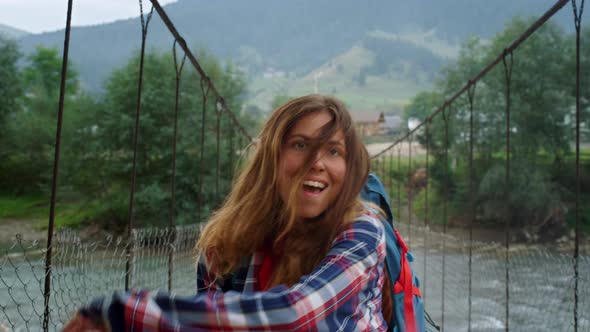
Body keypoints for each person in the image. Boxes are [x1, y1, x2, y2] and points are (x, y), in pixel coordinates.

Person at [64, 94, 389, 331]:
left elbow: (296, 315)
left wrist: (124, 313)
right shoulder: (226, 245)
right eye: (300, 145)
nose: (317, 162)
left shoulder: (362, 232)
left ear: (349, 167)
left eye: (334, 151)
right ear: (271, 159)